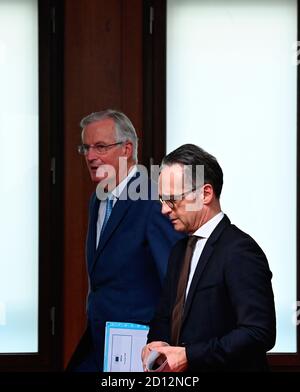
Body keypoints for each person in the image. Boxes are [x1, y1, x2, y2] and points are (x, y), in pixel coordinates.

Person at [66, 109, 184, 372]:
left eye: (100, 147)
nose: (91, 156)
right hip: (100, 343)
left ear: (126, 149)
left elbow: (174, 283)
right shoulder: (98, 199)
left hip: (139, 349)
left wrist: (162, 349)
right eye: (85, 148)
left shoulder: (153, 200)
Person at [142, 144, 276, 372]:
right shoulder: (178, 251)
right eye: (162, 200)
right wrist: (155, 343)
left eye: (172, 199)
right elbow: (165, 316)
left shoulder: (240, 250)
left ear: (205, 194)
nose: (164, 210)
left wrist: (189, 356)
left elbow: (259, 332)